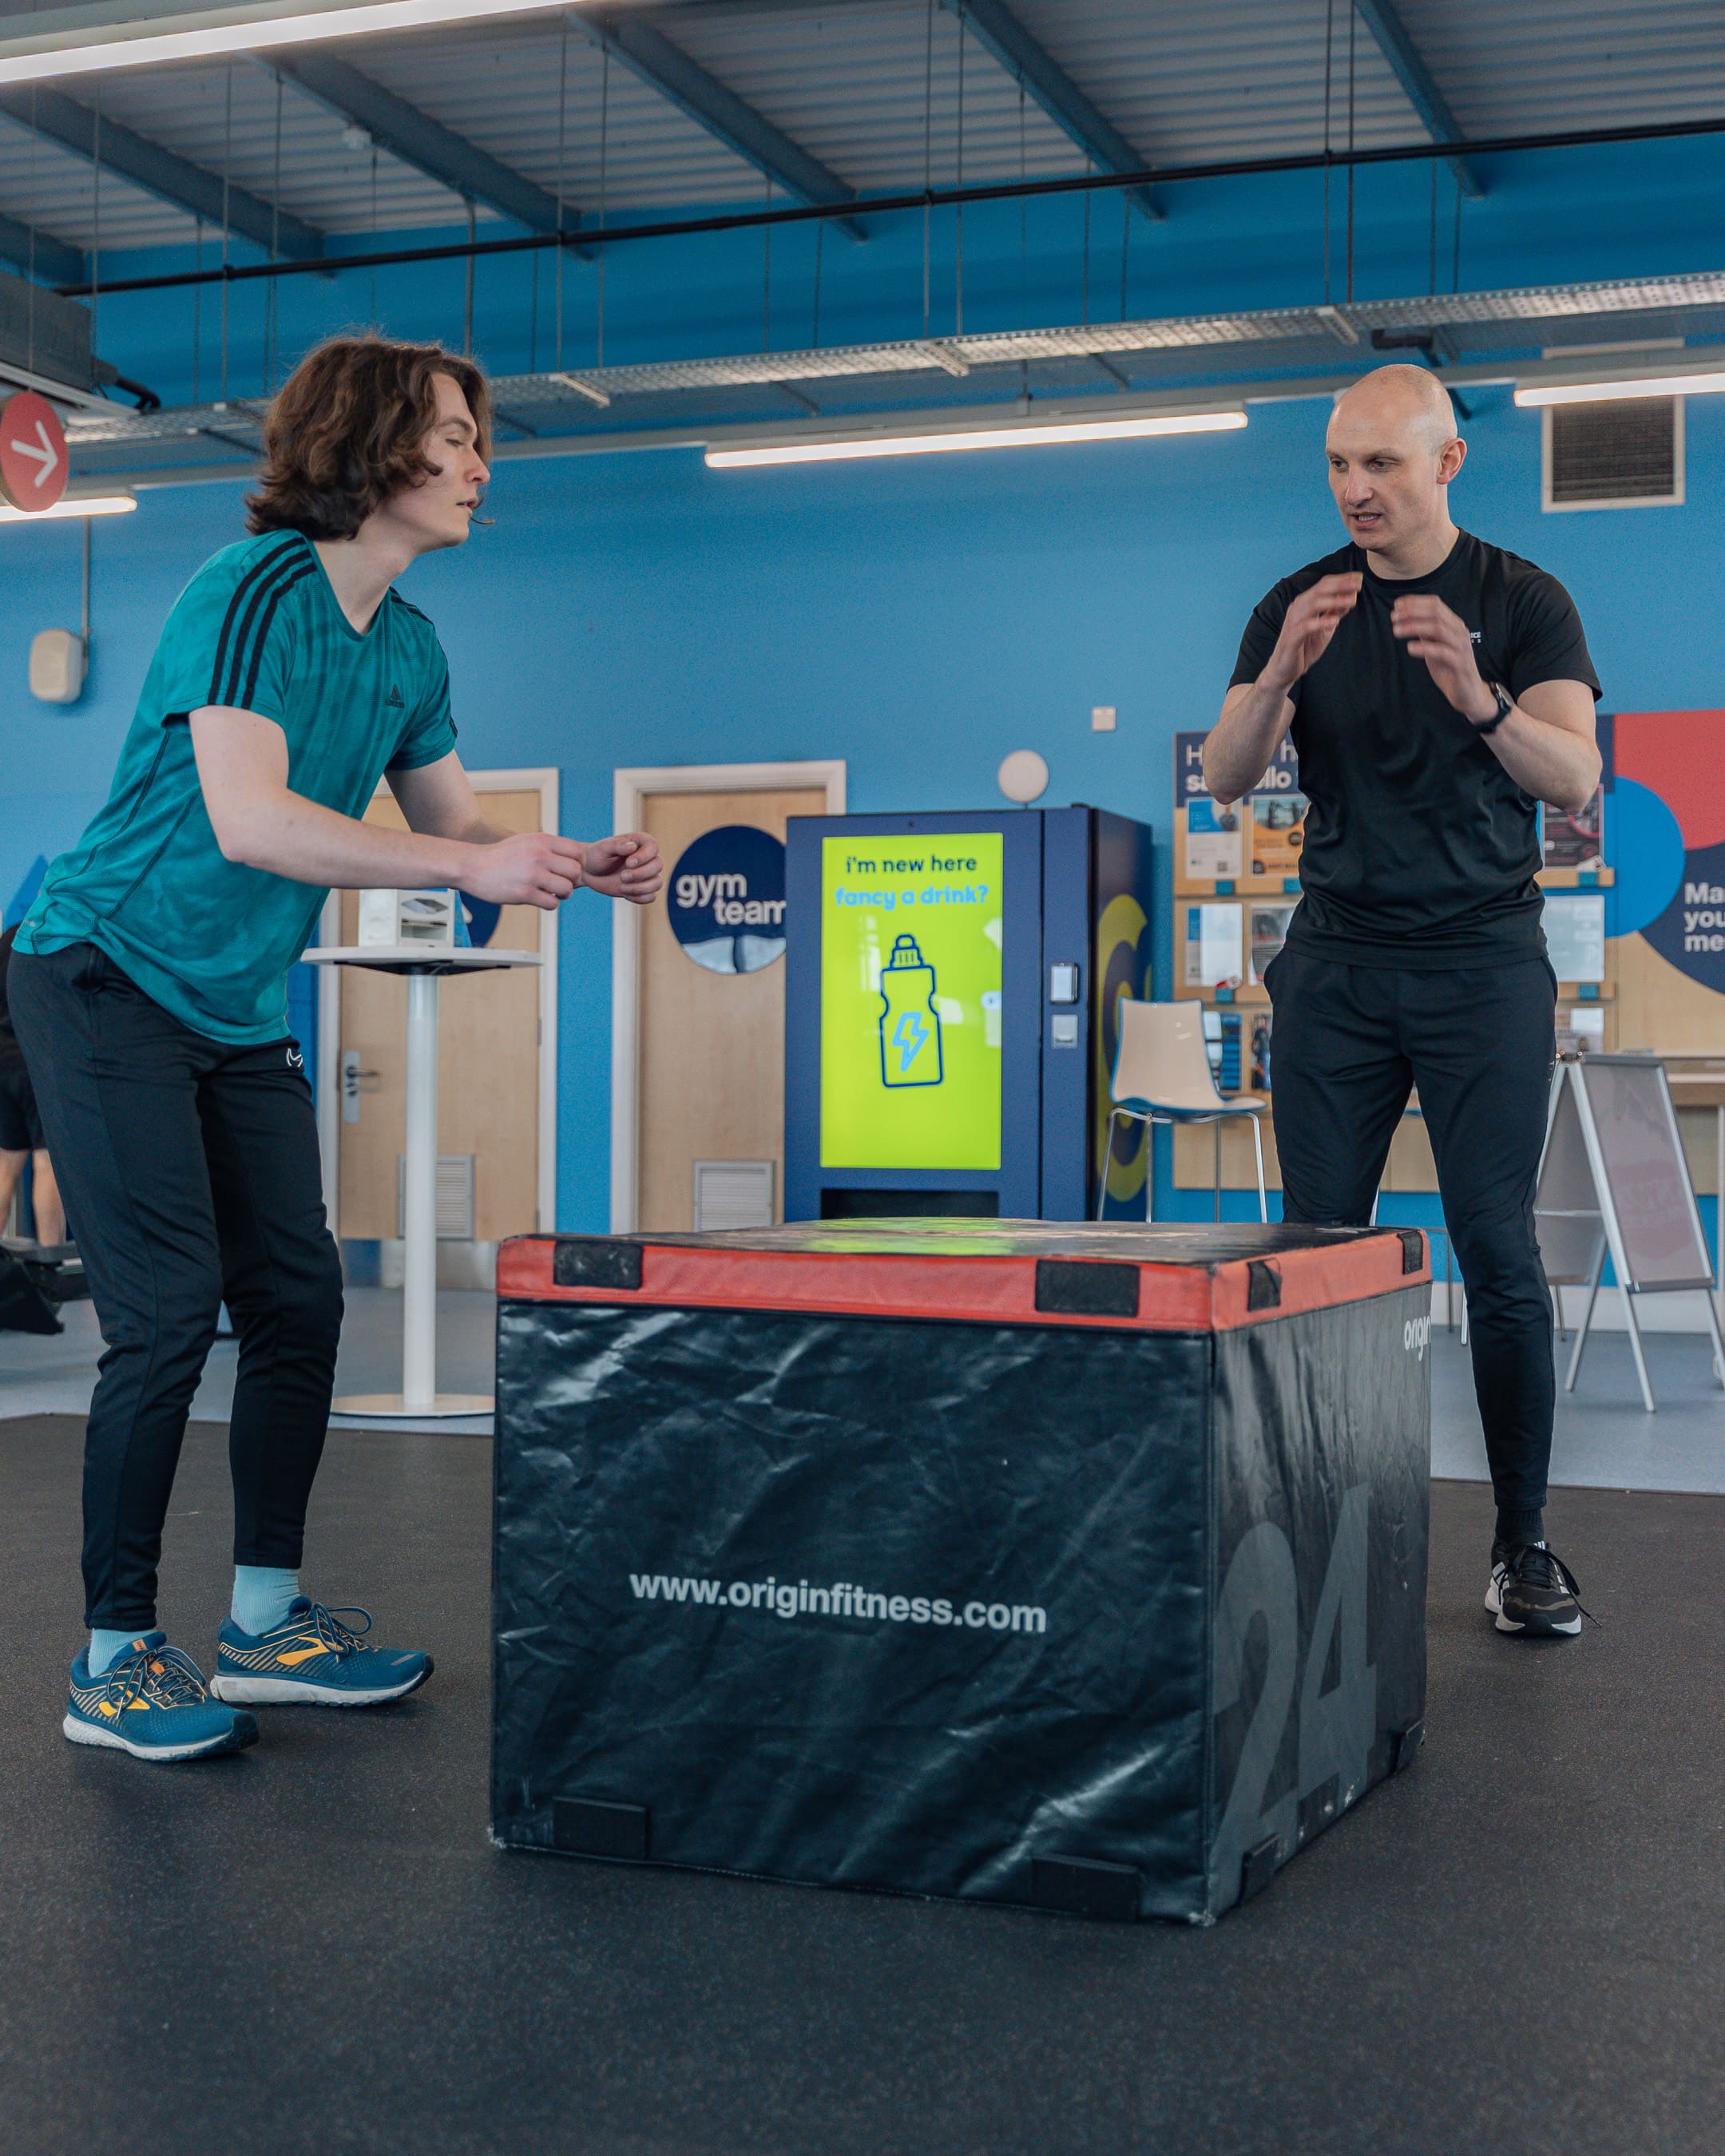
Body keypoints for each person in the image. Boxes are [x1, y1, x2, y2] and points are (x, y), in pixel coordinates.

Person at [10, 336, 663, 1762]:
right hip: (104, 969)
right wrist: (470, 868)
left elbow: (455, 822)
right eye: (454, 437)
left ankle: (264, 1624)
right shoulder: (251, 590)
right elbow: (250, 820)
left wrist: (559, 858)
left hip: (235, 1008)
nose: (480, 466)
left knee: (299, 1299)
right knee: (167, 1312)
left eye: (479, 440)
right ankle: (113, 1659)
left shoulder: (410, 647)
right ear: (371, 446)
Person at [1207, 363, 1601, 1641]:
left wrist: (1481, 700)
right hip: (1337, 964)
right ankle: (1311, 1536)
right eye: (1338, 464)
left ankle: (1522, 1544)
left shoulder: (1523, 601)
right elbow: (1225, 776)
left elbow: (1574, 775)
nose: (1355, 488)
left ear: (1446, 462)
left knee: (1497, 1250)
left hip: (1483, 964)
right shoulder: (1298, 604)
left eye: (1380, 463)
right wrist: (1279, 674)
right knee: (1317, 1252)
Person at [0, 923, 65, 1246]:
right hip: (37, 1059)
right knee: (48, 1161)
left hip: (3, 1059)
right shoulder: (58, 934)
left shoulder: (10, 937)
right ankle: (50, 1260)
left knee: (6, 1163)